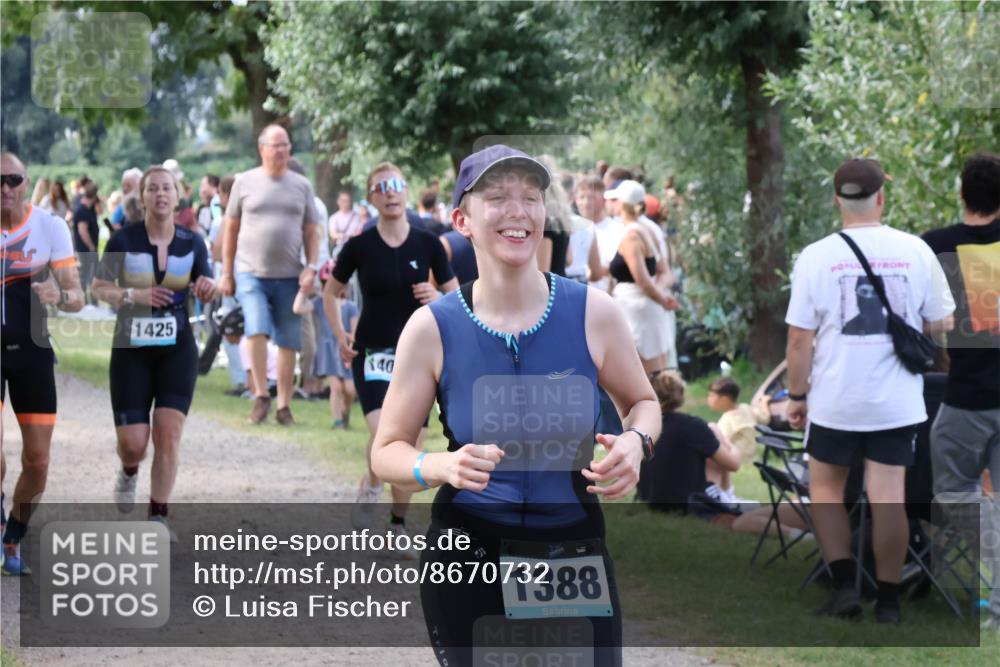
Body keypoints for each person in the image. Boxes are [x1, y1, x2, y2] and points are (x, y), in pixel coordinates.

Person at [370, 145, 662, 666]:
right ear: (463, 219)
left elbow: (642, 402)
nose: (518, 211)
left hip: (572, 548)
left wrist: (636, 443)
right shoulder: (432, 328)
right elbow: (386, 450)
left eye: (531, 198)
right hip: (470, 549)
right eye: (499, 197)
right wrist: (439, 465)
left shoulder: (594, 313)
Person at [785, 158, 955, 624]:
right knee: (888, 497)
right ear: (881, 197)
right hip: (896, 400)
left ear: (837, 199)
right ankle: (889, 601)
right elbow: (943, 322)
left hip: (835, 398)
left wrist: (796, 396)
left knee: (825, 490)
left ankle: (843, 587)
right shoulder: (915, 250)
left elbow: (799, 338)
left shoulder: (816, 256)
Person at [322, 161, 458, 549]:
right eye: (381, 187)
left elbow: (464, 300)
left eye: (397, 184)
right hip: (372, 352)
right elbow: (331, 293)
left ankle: (397, 523)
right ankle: (374, 482)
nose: (391, 192)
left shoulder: (428, 243)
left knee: (410, 440)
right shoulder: (359, 246)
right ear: (371, 198)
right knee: (387, 433)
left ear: (407, 191)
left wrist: (440, 298)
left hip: (416, 357)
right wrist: (339, 334)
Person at [91, 166, 216, 542]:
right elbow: (98, 287)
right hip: (131, 348)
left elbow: (204, 281)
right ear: (141, 197)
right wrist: (134, 295)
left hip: (177, 347)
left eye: (168, 189)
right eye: (153, 189)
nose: (161, 195)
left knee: (169, 432)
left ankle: (158, 514)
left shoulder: (192, 242)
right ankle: (129, 470)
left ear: (178, 198)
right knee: (134, 444)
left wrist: (207, 287)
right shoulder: (122, 240)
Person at [921, 151, 1000, 632]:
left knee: (952, 490)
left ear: (962, 193)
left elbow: (930, 324)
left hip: (968, 396)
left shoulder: (936, 246)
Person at [0, 153, 85, 576]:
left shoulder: (50, 228)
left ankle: (12, 536)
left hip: (32, 352)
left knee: (37, 464)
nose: (5, 188)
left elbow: (78, 297)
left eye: (13, 179)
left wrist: (61, 297)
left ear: (25, 181)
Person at [220, 124, 321, 425]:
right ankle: (262, 394)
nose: (282, 151)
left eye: (286, 145)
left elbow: (312, 232)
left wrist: (311, 266)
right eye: (276, 146)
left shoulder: (302, 185)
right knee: (256, 328)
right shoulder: (245, 182)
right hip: (251, 273)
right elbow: (231, 229)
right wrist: (227, 272)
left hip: (290, 275)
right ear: (262, 148)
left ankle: (284, 404)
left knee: (290, 341)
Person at [637, 371, 741, 517]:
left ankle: (728, 496)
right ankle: (728, 496)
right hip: (690, 503)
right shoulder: (693, 426)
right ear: (680, 394)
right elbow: (733, 464)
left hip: (650, 500)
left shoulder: (641, 428)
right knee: (713, 429)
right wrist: (732, 446)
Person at [604, 179, 678, 374]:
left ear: (621, 203)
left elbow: (643, 280)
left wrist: (661, 298)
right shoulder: (647, 230)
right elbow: (663, 271)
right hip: (646, 307)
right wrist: (661, 294)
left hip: (636, 310)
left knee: (646, 374)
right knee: (657, 370)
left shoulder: (631, 236)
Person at [294, 261, 358, 429]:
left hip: (346, 351)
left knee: (350, 390)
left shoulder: (350, 307)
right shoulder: (320, 302)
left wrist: (348, 338)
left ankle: (346, 413)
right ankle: (337, 422)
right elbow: (297, 309)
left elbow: (355, 332)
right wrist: (304, 291)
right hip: (329, 351)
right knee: (336, 387)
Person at [71, 182, 100, 305]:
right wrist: (91, 246)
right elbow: (83, 231)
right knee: (86, 275)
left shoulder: (89, 210)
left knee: (91, 275)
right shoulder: (82, 211)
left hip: (87, 249)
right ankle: (85, 301)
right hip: (85, 249)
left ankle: (91, 300)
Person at [328, 190, 362, 258]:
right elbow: (333, 234)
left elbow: (360, 231)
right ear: (338, 201)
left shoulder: (358, 217)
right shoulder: (334, 218)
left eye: (347, 200)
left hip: (356, 248)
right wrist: (346, 236)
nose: (345, 203)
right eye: (343, 200)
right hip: (340, 248)